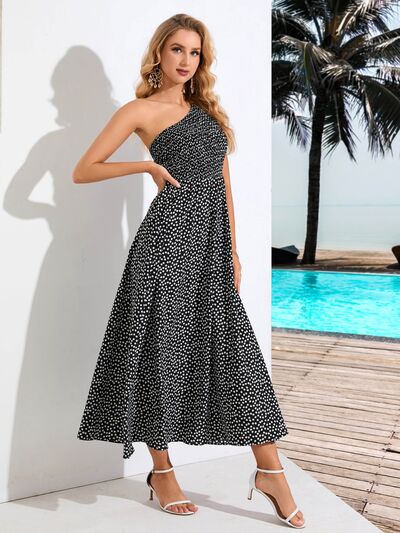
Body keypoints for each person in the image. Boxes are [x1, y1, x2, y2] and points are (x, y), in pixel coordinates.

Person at [73, 13, 305, 529]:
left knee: (237, 358)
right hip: (163, 246)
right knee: (159, 353)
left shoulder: (206, 112)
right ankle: (162, 472)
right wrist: (146, 166)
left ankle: (271, 471)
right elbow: (83, 170)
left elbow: (224, 187)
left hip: (210, 250)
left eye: (194, 52)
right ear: (159, 52)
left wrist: (234, 252)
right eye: (177, 49)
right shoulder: (139, 110)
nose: (186, 60)